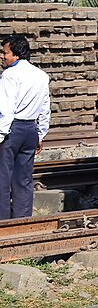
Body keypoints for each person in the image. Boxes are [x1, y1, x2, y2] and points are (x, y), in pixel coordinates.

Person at [0, 34, 51, 219]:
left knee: (3, 178)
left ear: (16, 53)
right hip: (30, 130)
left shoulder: (10, 75)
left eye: (5, 52)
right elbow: (45, 107)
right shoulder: (41, 75)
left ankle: (3, 221)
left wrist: (0, 135)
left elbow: (6, 109)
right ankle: (22, 220)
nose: (2, 56)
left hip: (12, 130)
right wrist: (40, 134)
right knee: (24, 179)